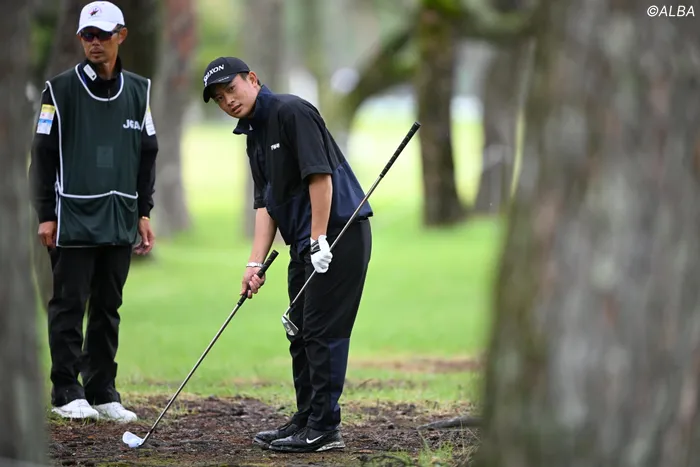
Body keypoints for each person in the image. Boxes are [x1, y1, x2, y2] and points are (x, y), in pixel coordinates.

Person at [201, 57, 373, 453]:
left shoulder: (291, 111)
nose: (227, 100)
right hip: (304, 243)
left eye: (231, 88)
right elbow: (266, 204)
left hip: (337, 234)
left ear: (253, 79)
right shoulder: (254, 134)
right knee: (298, 328)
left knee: (322, 331)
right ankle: (307, 416)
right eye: (219, 97)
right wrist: (254, 264)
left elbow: (320, 176)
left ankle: (324, 428)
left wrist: (318, 239)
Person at [28, 1, 158, 422]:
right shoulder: (58, 90)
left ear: (121, 35)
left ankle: (102, 390)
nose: (95, 42)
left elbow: (147, 152)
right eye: (88, 35)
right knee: (69, 305)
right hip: (72, 217)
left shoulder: (138, 91)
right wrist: (45, 213)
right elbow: (42, 154)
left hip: (120, 217)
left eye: (103, 34)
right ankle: (66, 389)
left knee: (107, 306)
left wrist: (144, 211)